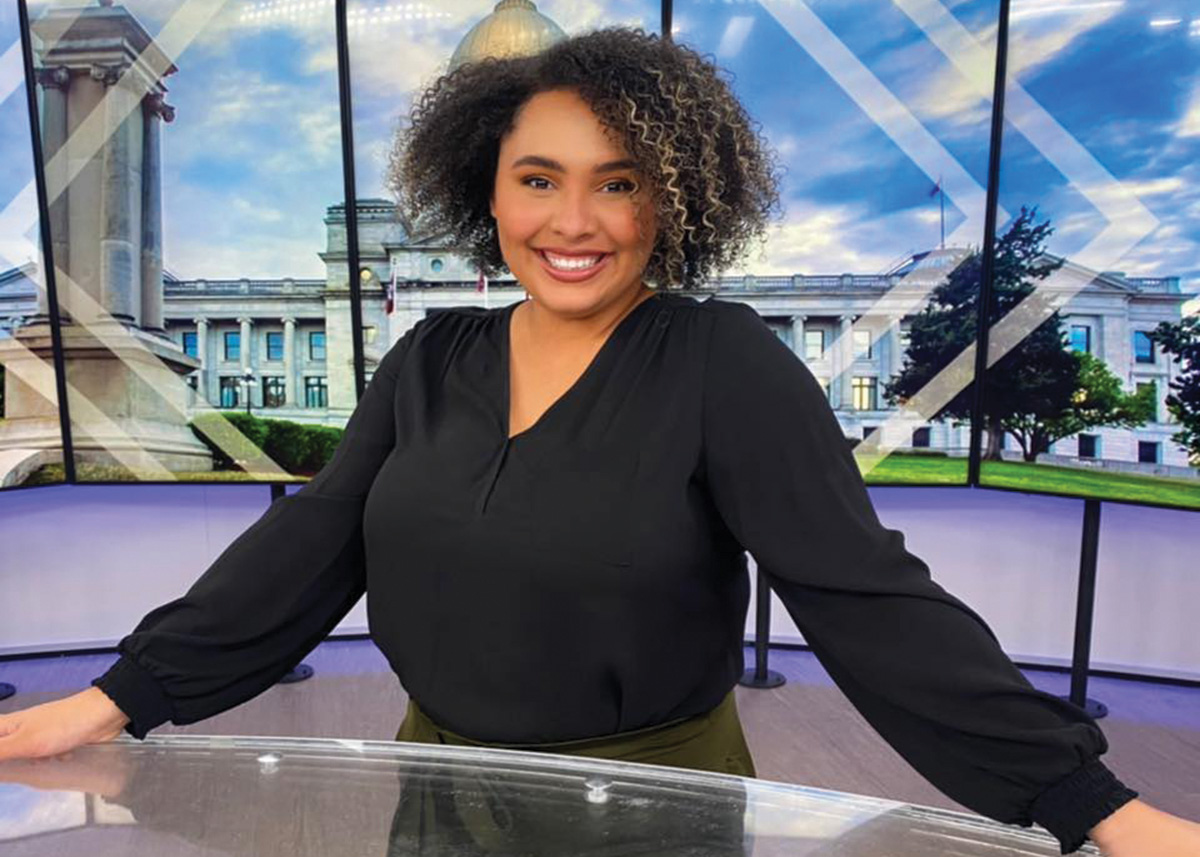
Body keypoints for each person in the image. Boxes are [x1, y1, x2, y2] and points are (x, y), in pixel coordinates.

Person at [0, 26, 1196, 857]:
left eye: (617, 183)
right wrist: (115, 697)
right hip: (438, 781)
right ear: (488, 191)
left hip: (649, 800)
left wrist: (1088, 801)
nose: (572, 223)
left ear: (674, 201)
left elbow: (866, 597)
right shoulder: (431, 357)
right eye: (538, 179)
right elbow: (312, 546)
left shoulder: (724, 361)